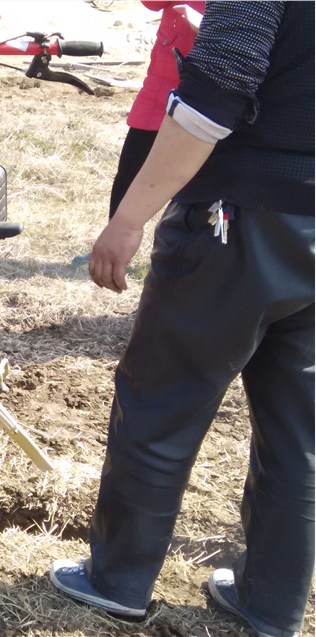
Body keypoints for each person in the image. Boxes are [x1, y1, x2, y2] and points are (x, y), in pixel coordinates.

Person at [50, 3, 314, 637]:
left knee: (160, 402)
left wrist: (131, 216)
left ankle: (117, 579)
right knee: (300, 433)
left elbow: (212, 98)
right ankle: (271, 603)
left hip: (241, 221)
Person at [107, 1, 204, 220]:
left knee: (200, 184)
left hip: (209, 91)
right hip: (160, 89)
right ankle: (111, 249)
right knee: (130, 174)